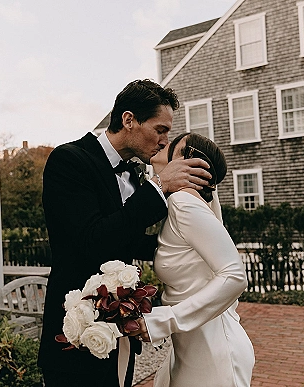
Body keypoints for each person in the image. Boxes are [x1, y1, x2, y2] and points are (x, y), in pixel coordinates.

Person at [38, 80, 211, 387]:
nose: (164, 141)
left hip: (120, 329)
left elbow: (125, 239)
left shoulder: (132, 172)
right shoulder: (69, 161)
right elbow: (93, 240)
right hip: (74, 329)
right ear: (129, 120)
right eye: (160, 130)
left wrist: (189, 249)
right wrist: (158, 188)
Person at [139, 133, 255, 386]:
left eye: (173, 144)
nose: (163, 143)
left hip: (213, 350)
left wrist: (161, 321)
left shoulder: (183, 203)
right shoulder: (180, 203)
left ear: (190, 163)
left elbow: (234, 276)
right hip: (191, 346)